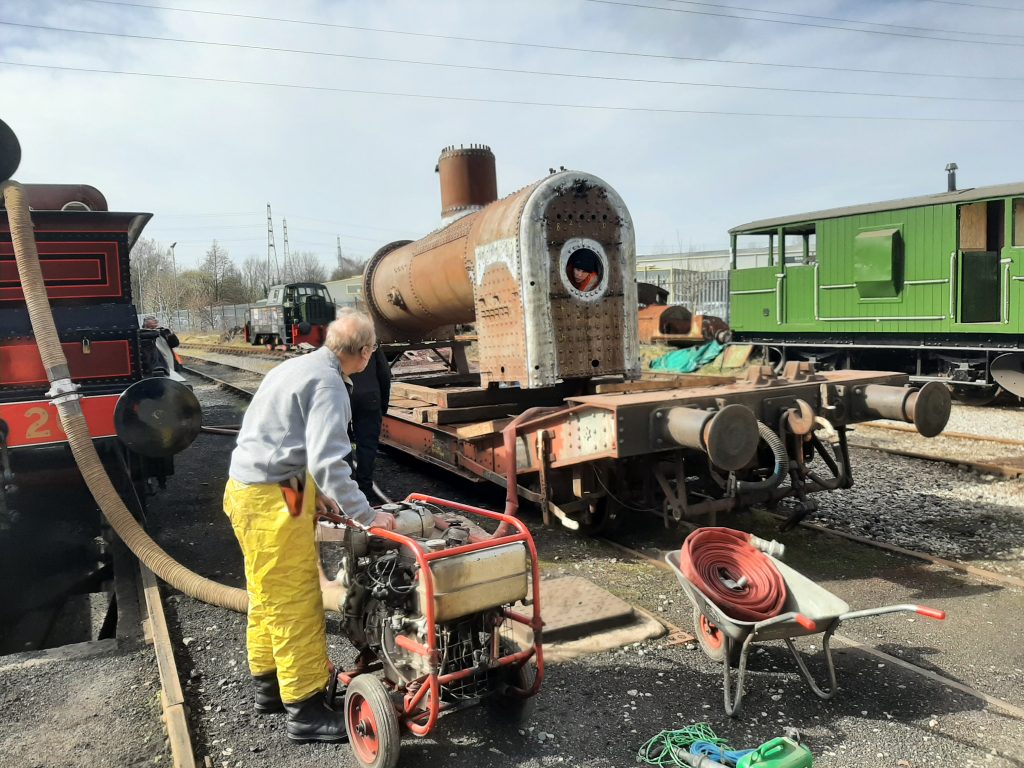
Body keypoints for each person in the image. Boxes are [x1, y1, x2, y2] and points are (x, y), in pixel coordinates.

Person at [223, 308, 396, 744]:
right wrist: (369, 516)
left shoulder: (297, 364)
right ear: (363, 352)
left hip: (257, 488)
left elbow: (284, 441)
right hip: (271, 502)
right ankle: (306, 710)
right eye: (371, 352)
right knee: (297, 599)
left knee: (266, 594)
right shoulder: (330, 385)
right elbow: (331, 463)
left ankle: (269, 688)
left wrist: (309, 493)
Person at [347, 345, 391, 499]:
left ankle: (345, 487)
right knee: (368, 445)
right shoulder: (370, 342)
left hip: (344, 395)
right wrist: (383, 405)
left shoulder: (335, 340)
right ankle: (364, 488)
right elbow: (385, 374)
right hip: (370, 398)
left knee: (342, 443)